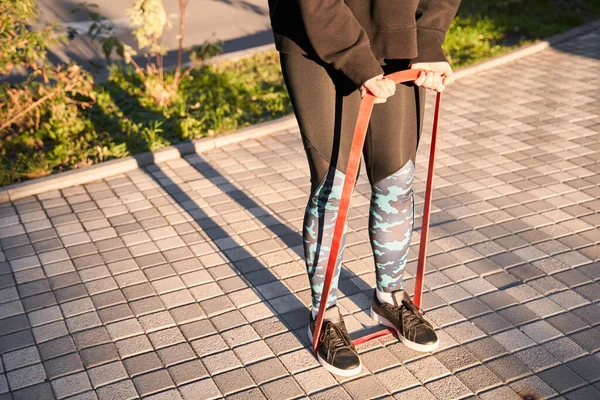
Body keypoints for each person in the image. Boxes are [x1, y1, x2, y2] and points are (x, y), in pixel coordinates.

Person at [267, 0, 461, 376]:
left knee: (396, 180)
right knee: (333, 186)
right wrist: (354, 57)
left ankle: (390, 298)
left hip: (397, 38)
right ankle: (325, 315)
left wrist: (429, 39)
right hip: (315, 38)